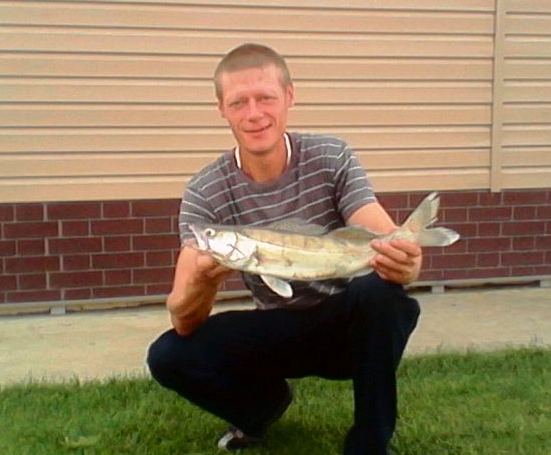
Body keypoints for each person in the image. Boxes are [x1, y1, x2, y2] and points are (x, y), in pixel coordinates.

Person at [147, 43, 422, 455]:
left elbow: (378, 229)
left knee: (383, 294)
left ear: (289, 96)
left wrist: (405, 257)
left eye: (265, 98)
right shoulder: (204, 192)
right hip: (276, 327)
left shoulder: (332, 155)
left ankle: (369, 443)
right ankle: (260, 409)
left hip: (345, 325)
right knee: (168, 354)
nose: (254, 114)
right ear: (221, 109)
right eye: (238, 102)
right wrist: (205, 282)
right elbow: (182, 316)